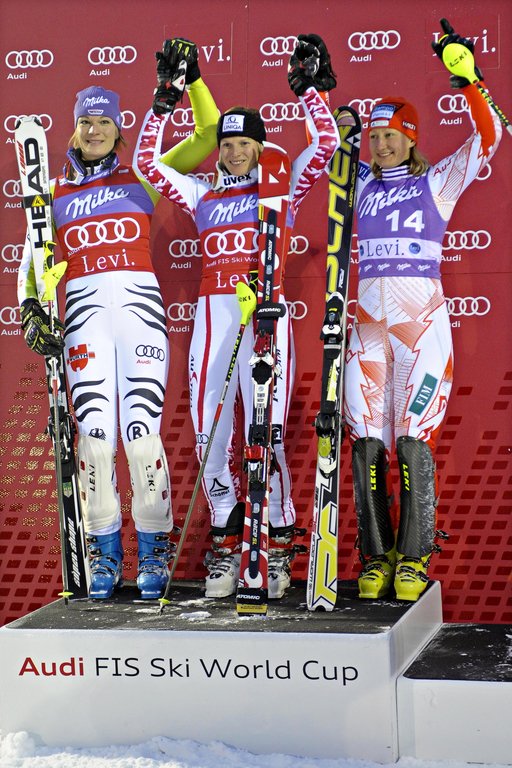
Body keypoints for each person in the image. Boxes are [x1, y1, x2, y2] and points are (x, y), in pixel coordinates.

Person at [136, 34, 339, 600]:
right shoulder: (202, 193)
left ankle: (277, 542)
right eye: (227, 144)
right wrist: (164, 102)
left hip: (266, 313)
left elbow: (326, 144)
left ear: (259, 145)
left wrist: (309, 92)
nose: (234, 153)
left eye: (245, 143)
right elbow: (147, 163)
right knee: (210, 433)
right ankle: (227, 539)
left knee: (266, 434)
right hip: (214, 314)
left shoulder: (282, 185)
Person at [17, 50, 219, 600]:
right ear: (74, 129)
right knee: (95, 439)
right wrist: (31, 309)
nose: (95, 130)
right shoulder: (51, 194)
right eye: (86, 121)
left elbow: (207, 134)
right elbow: (29, 266)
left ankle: (153, 546)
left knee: (140, 435)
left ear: (118, 129)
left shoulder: (143, 178)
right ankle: (103, 550)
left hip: (138, 316)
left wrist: (193, 83)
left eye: (104, 121)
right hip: (84, 319)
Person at [343, 22, 503, 601]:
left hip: (421, 327)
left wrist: (470, 81)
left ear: (411, 138)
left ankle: (412, 558)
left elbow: (488, 138)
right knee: (366, 443)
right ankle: (376, 555)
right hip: (367, 327)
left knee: (412, 441)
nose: (381, 145)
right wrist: (320, 100)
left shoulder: (437, 182)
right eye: (375, 136)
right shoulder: (356, 182)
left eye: (391, 135)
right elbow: (320, 153)